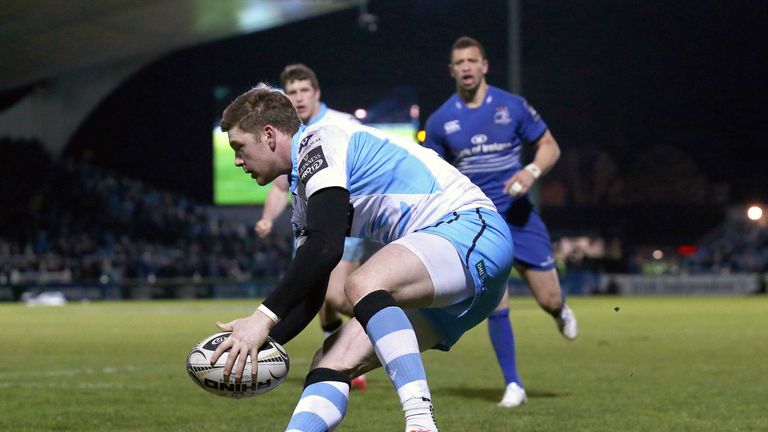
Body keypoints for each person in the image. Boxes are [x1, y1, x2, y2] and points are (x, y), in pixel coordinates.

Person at [212, 84, 514, 432]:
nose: (237, 160)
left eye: (239, 147)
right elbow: (311, 289)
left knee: (363, 282)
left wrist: (261, 318)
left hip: (471, 230)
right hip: (448, 280)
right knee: (330, 361)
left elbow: (326, 247)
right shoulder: (303, 199)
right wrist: (258, 344)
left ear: (268, 135)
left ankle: (420, 421)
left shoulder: (318, 142)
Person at [423, 36, 578, 408]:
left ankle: (559, 310)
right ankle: (513, 384)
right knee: (497, 300)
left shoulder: (512, 106)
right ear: (451, 70)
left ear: (484, 65)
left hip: (519, 216)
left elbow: (550, 146)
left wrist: (531, 171)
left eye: (472, 60)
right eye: (459, 62)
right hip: (479, 223)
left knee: (549, 298)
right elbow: (432, 173)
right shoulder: (440, 121)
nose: (466, 67)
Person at [254, 64, 377, 390]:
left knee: (336, 295)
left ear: (317, 93)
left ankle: (390, 326)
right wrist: (267, 218)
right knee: (322, 302)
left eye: (304, 91)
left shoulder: (339, 123)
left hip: (342, 222)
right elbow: (280, 187)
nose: (298, 98)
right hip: (309, 226)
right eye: (292, 92)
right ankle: (347, 364)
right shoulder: (288, 132)